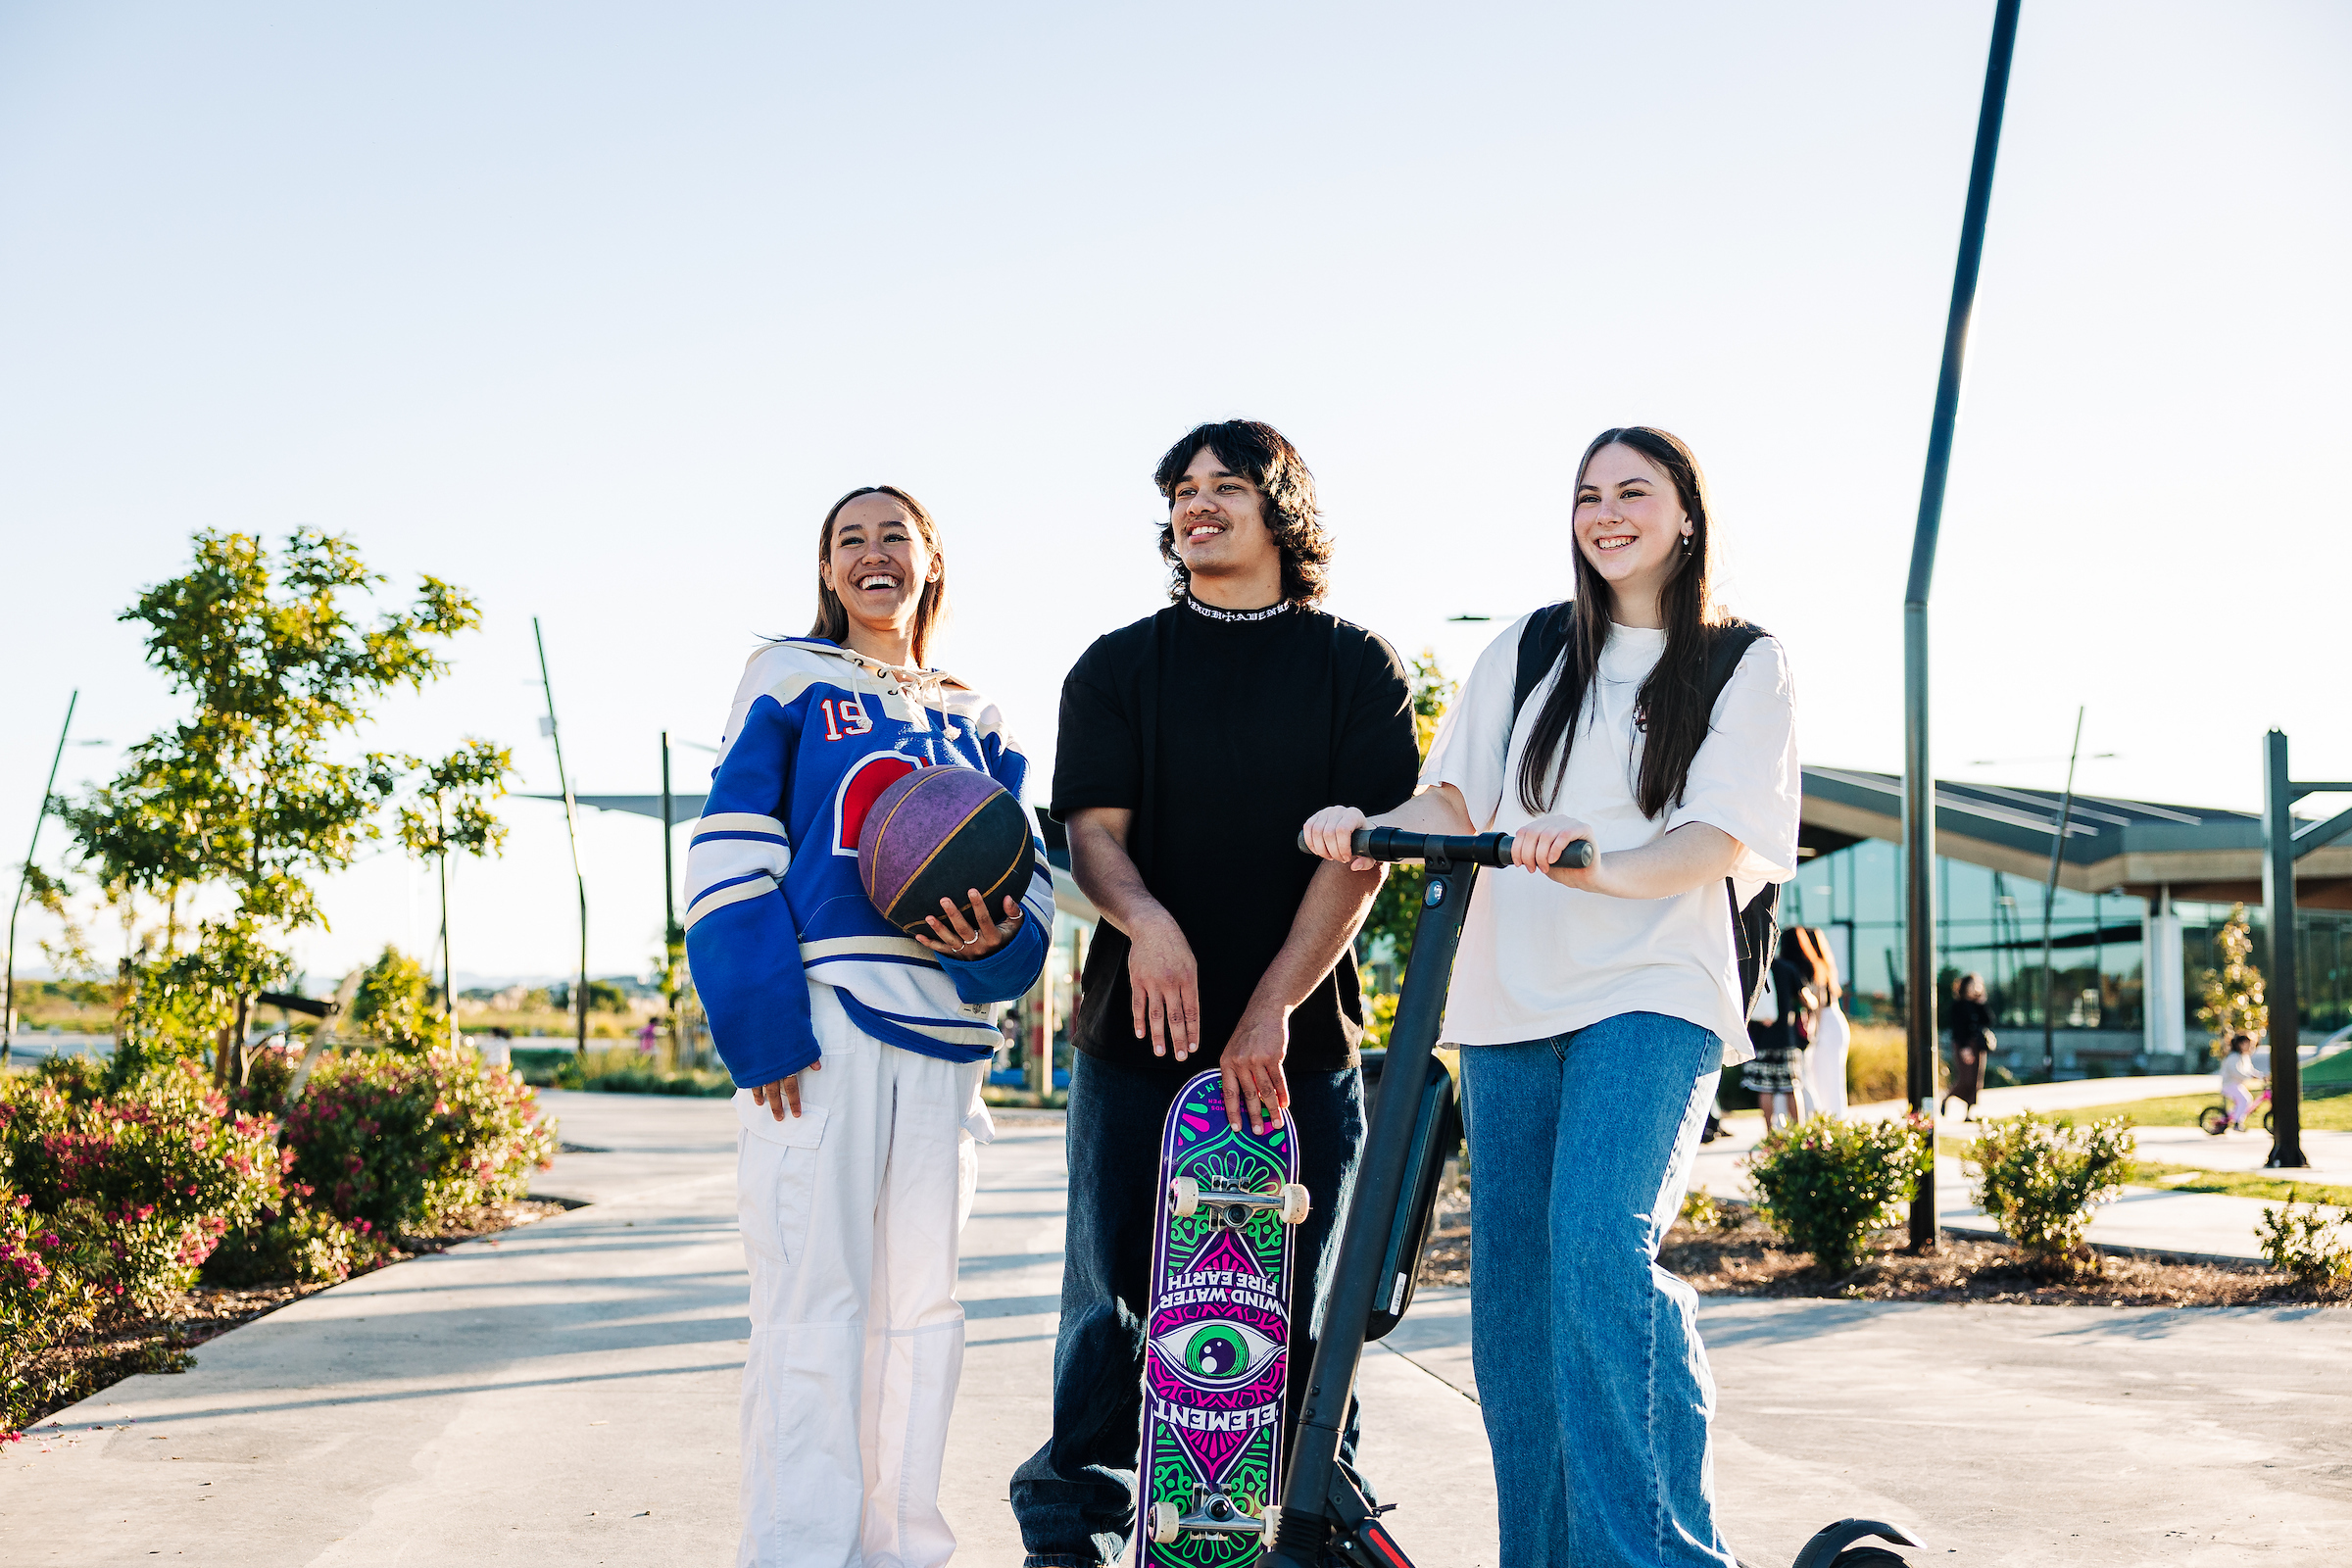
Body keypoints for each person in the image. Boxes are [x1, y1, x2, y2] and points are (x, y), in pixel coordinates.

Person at [1304, 425, 1798, 1568]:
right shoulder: (1528, 650)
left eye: (1635, 491)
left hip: (1653, 986)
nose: (1607, 513)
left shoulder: (1742, 660)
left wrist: (1600, 865)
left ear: (1686, 513)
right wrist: (1358, 828)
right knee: (1517, 1302)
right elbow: (1452, 801)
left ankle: (1658, 1553)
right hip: (1510, 997)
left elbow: (1718, 839)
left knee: (1599, 1248)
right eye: (1588, 495)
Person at [1012, 419, 1419, 1568]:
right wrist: (1145, 925)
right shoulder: (1117, 665)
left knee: (1301, 1290)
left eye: (1225, 486)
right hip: (1135, 1034)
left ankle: (1304, 1508)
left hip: (1302, 1041)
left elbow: (1363, 856)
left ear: (1281, 507)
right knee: (1115, 1293)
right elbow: (1092, 830)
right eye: (1182, 489)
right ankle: (1074, 1518)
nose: (1197, 504)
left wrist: (1271, 1007)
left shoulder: (1355, 666)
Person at [684, 484, 1055, 1568]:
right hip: (823, 1031)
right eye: (851, 539)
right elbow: (729, 855)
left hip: (943, 1044)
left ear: (931, 560)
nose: (873, 552)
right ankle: (801, 1549)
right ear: (828, 571)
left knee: (920, 1312)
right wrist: (764, 1030)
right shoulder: (787, 678)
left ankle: (904, 1551)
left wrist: (993, 944)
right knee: (812, 1304)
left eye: (895, 534)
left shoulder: (978, 715)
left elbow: (1025, 901)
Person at [1741, 931, 1816, 1129]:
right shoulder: (1787, 968)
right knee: (1791, 1086)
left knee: (1765, 1089)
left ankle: (1769, 1133)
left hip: (1761, 1039)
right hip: (1786, 1037)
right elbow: (1808, 1000)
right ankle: (1797, 1133)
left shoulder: (1754, 970)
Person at [1798, 927, 1850, 1117]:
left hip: (1825, 1024)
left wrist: (1813, 1032)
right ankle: (1837, 1118)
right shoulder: (1827, 965)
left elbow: (1818, 1004)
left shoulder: (1815, 967)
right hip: (1836, 1020)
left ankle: (1830, 1120)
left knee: (1822, 1077)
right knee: (1834, 1077)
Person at [1943, 972, 1996, 1120]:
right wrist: (1964, 1047)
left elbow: (1989, 1021)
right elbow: (1957, 1028)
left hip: (1978, 1045)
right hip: (1964, 1045)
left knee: (1976, 1080)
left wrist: (1982, 1003)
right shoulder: (1957, 1006)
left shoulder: (1978, 1005)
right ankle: (1947, 1097)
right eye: (1973, 985)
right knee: (1965, 1079)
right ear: (1965, 987)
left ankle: (1967, 1113)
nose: (1975, 989)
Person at [2221, 1031, 2262, 1130]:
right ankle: (2237, 1123)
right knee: (2245, 1099)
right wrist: (2250, 1077)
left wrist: (2260, 1076)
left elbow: (2250, 1070)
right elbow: (2237, 1072)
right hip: (2229, 1084)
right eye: (2248, 1045)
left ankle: (2229, 1117)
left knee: (2245, 1101)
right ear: (2240, 1044)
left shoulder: (2244, 1057)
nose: (2250, 1048)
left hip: (2237, 1084)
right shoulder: (2233, 1057)